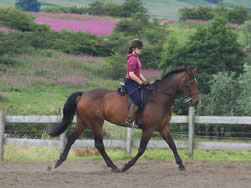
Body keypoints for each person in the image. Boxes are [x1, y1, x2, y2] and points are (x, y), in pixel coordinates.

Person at [124, 39, 147, 128]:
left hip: (135, 81)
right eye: (139, 48)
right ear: (134, 49)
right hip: (130, 83)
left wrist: (145, 81)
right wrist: (140, 82)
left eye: (141, 48)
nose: (140, 50)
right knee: (138, 99)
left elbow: (138, 73)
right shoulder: (132, 59)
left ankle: (139, 119)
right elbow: (131, 74)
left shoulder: (137, 58)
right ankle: (129, 120)